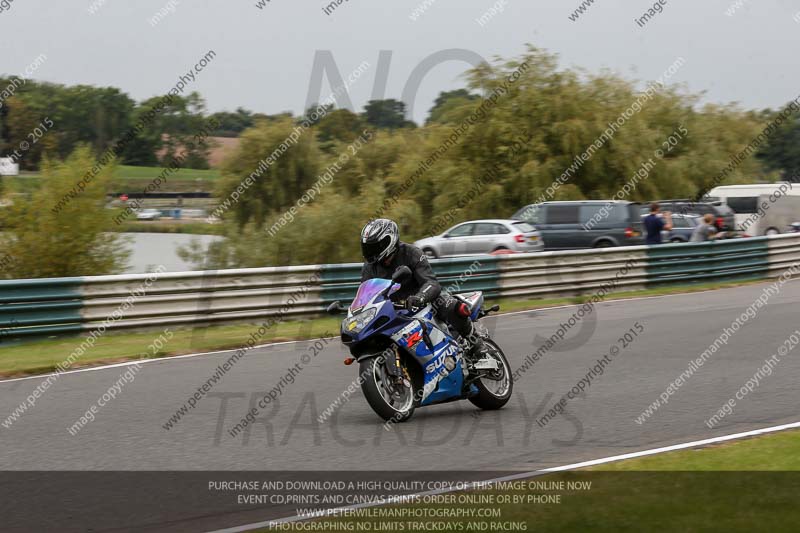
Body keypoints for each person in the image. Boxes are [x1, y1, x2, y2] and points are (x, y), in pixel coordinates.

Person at [359, 219, 486, 364]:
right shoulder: (369, 268)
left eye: (375, 247)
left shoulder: (411, 253)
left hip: (426, 300)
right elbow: (366, 293)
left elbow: (431, 282)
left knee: (451, 306)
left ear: (389, 240)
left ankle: (476, 343)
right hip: (395, 310)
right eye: (367, 248)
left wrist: (420, 297)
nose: (370, 252)